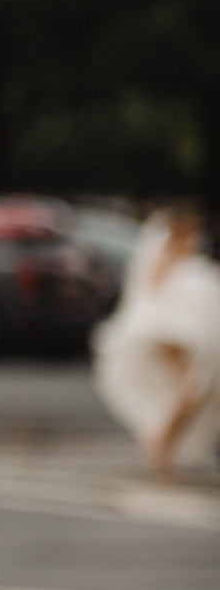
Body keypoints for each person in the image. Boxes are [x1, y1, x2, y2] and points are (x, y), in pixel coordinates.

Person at [94, 205, 220, 480]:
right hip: (169, 335)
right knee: (191, 391)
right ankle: (160, 446)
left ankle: (162, 447)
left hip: (179, 337)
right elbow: (152, 290)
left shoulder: (186, 263)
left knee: (188, 392)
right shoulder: (170, 259)